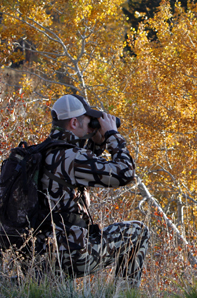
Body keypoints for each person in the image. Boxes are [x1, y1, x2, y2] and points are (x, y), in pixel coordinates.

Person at [39, 94, 149, 288]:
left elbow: (87, 160)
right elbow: (125, 173)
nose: (92, 125)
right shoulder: (72, 158)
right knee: (138, 233)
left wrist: (96, 141)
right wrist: (112, 135)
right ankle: (125, 294)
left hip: (37, 254)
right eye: (88, 121)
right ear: (74, 122)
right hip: (69, 256)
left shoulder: (41, 152)